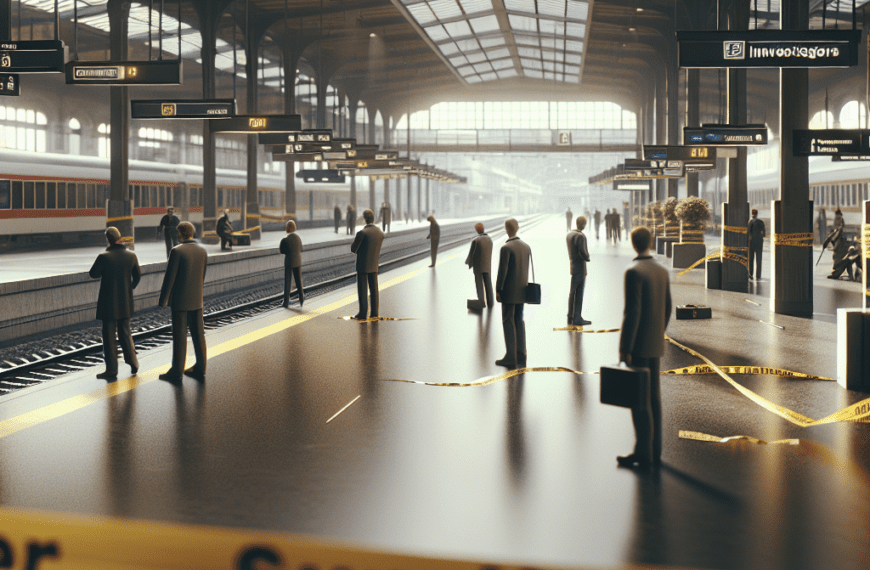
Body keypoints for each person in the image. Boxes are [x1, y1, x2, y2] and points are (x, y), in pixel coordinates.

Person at [617, 226, 672, 469]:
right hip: (655, 343)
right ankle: (655, 450)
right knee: (654, 398)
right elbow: (668, 307)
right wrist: (659, 333)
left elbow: (633, 313)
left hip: (638, 345)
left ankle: (643, 453)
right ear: (650, 242)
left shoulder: (633, 271)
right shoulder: (662, 271)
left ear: (633, 243)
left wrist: (625, 347)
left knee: (639, 401)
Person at [89, 227, 141, 380]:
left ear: (108, 239)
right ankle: (133, 362)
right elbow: (137, 276)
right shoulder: (131, 255)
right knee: (125, 332)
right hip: (125, 301)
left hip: (108, 302)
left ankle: (112, 370)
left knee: (109, 336)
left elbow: (93, 274)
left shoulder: (104, 257)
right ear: (120, 237)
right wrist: (129, 288)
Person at [158, 222, 208, 382]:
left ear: (180, 233)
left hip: (180, 301)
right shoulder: (202, 250)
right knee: (198, 335)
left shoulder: (176, 251)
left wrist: (163, 300)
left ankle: (177, 370)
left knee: (179, 336)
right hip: (197, 300)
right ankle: (201, 367)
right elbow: (202, 275)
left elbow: (169, 278)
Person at [495, 218, 531, 369]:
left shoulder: (506, 248)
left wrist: (498, 289)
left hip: (509, 292)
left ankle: (510, 356)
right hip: (522, 291)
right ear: (517, 228)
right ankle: (521, 354)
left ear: (507, 229)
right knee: (519, 320)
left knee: (508, 321)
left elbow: (502, 272)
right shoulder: (526, 247)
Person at [350, 209, 385, 320]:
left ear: (364, 219)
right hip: (374, 264)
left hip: (362, 265)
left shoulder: (362, 233)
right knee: (374, 289)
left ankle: (363, 313)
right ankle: (374, 313)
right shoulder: (380, 233)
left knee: (363, 290)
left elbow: (353, 249)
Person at [567, 216, 591, 326]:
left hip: (573, 266)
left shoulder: (570, 234)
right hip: (580, 267)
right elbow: (583, 251)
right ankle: (577, 317)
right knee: (579, 293)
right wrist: (588, 257)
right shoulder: (581, 236)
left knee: (572, 293)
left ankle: (570, 316)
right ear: (583, 224)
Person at [465, 222, 494, 311]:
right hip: (487, 266)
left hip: (478, 266)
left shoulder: (476, 240)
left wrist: (468, 262)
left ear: (477, 230)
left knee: (479, 285)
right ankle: (490, 302)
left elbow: (471, 254)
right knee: (488, 284)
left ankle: (481, 302)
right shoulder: (489, 239)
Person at [279, 220, 304, 308]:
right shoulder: (298, 238)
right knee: (298, 282)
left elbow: (281, 251)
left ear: (287, 228)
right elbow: (301, 249)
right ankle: (301, 299)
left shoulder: (285, 239)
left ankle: (286, 302)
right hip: (298, 262)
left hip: (289, 262)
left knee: (287, 283)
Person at [748, 208, 766, 280]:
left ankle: (750, 274)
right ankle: (758, 275)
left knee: (751, 259)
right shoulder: (761, 222)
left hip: (751, 243)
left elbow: (748, 233)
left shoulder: (749, 222)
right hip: (759, 243)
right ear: (757, 214)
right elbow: (764, 234)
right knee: (759, 259)